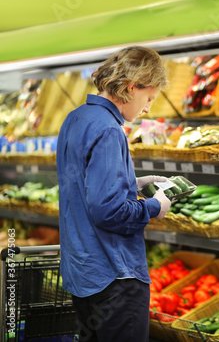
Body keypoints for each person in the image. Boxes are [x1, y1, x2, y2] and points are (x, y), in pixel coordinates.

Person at [56, 46, 172, 342]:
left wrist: (130, 183)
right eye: (149, 98)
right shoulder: (110, 129)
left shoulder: (76, 118)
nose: (147, 108)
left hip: (83, 273)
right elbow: (110, 212)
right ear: (132, 87)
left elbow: (83, 187)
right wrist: (154, 207)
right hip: (115, 276)